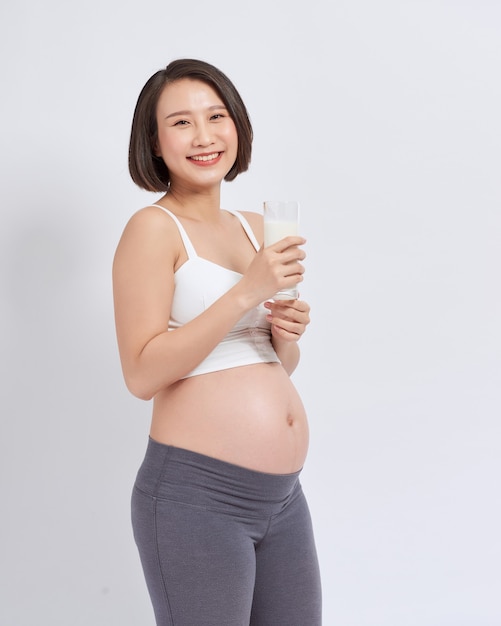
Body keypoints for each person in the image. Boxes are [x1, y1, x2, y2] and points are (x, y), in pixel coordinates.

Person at [112, 58, 322, 625]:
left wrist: (286, 334)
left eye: (216, 116)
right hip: (196, 498)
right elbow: (141, 373)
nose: (204, 136)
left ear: (238, 127)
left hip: (283, 499)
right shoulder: (152, 229)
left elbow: (270, 365)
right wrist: (245, 292)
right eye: (180, 123)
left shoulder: (256, 225)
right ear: (154, 142)